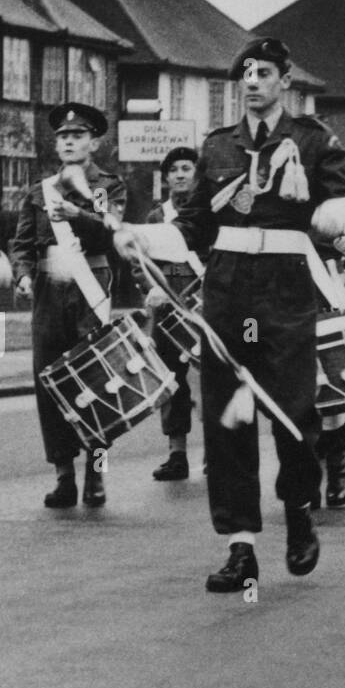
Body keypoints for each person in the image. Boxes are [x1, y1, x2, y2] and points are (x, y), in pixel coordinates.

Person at [134, 37, 345, 593]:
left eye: (265, 72)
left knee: (293, 411)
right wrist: (141, 236)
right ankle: (240, 546)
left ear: (285, 79)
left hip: (286, 287)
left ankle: (297, 510)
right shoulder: (216, 148)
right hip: (229, 291)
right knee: (228, 418)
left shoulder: (312, 141)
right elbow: (193, 226)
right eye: (247, 74)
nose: (254, 81)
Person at [11, 103, 127, 510]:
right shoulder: (39, 190)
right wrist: (23, 273)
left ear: (94, 143)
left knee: (94, 379)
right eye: (63, 136)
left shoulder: (108, 186)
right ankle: (63, 475)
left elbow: (114, 232)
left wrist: (79, 212)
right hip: (48, 289)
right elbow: (23, 243)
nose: (69, 142)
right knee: (49, 378)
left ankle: (96, 472)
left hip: (90, 287)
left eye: (78, 136)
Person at [147, 145, 201, 482]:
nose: (180, 175)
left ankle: (218, 452)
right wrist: (150, 288)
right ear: (166, 178)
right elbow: (143, 261)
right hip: (167, 307)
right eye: (174, 170)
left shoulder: (210, 212)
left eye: (186, 168)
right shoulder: (157, 216)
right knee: (171, 381)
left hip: (205, 304)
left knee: (213, 381)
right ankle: (177, 453)